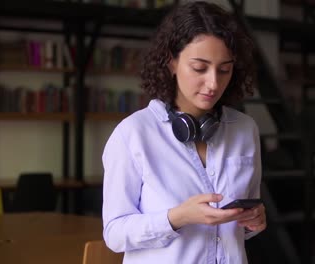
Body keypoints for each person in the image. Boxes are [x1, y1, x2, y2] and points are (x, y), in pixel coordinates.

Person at [102, 1, 266, 263]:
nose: (213, 83)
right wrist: (177, 218)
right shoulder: (133, 134)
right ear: (171, 63)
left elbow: (241, 229)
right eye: (200, 68)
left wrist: (253, 220)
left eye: (224, 69)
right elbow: (114, 234)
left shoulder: (245, 130)